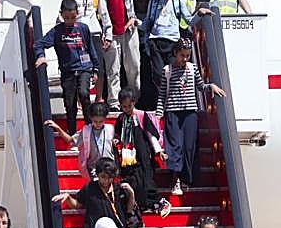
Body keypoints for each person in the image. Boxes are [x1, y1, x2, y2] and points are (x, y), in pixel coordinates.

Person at [90, 0, 167, 108]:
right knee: (113, 69)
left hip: (129, 29)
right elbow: (94, 9)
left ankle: (134, 100)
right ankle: (113, 102)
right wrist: (103, 32)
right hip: (110, 32)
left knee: (133, 66)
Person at [157, 39, 225, 197]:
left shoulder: (192, 68)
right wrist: (159, 112)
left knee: (189, 146)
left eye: (187, 56)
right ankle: (175, 178)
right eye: (182, 55)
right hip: (173, 112)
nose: (185, 59)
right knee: (175, 146)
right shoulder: (167, 70)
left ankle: (187, 176)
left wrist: (211, 86)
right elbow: (162, 95)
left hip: (190, 113)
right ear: (175, 53)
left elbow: (200, 86)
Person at [35, 0, 101, 133]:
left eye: (72, 17)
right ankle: (72, 133)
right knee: (70, 103)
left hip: (84, 69)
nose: (70, 21)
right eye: (67, 18)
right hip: (68, 71)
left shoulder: (83, 28)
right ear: (61, 15)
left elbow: (90, 49)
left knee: (84, 93)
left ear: (77, 13)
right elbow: (39, 44)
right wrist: (41, 56)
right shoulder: (57, 31)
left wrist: (95, 69)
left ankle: (90, 128)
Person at [140, 0, 202, 101]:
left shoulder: (178, 2)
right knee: (158, 74)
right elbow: (147, 23)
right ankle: (163, 99)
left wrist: (200, 14)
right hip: (155, 42)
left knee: (175, 72)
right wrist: (136, 23)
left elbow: (189, 21)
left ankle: (175, 99)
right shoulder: (154, 2)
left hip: (173, 43)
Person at [52, 157, 136, 228]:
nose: (106, 181)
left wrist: (131, 193)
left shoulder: (118, 189)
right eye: (103, 177)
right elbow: (77, 204)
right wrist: (68, 197)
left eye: (110, 177)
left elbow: (129, 209)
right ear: (98, 175)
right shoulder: (90, 188)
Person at [114, 89, 170, 217]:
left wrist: (158, 151)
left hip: (142, 154)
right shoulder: (121, 118)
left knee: (146, 179)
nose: (127, 109)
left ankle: (159, 202)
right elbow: (118, 134)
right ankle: (142, 204)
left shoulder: (141, 115)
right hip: (128, 156)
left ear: (134, 102)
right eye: (124, 106)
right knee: (133, 181)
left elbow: (151, 135)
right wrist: (116, 140)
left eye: (129, 105)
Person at [63, 0, 112, 99]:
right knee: (78, 68)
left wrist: (108, 35)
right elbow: (62, 18)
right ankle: (79, 100)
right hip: (76, 37)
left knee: (99, 67)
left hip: (94, 35)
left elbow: (104, 14)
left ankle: (99, 97)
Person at [45, 101, 115, 185]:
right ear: (91, 118)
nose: (98, 124)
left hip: (109, 167)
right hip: (94, 169)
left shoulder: (110, 129)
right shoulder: (86, 131)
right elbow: (71, 140)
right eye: (95, 121)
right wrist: (58, 128)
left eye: (101, 121)